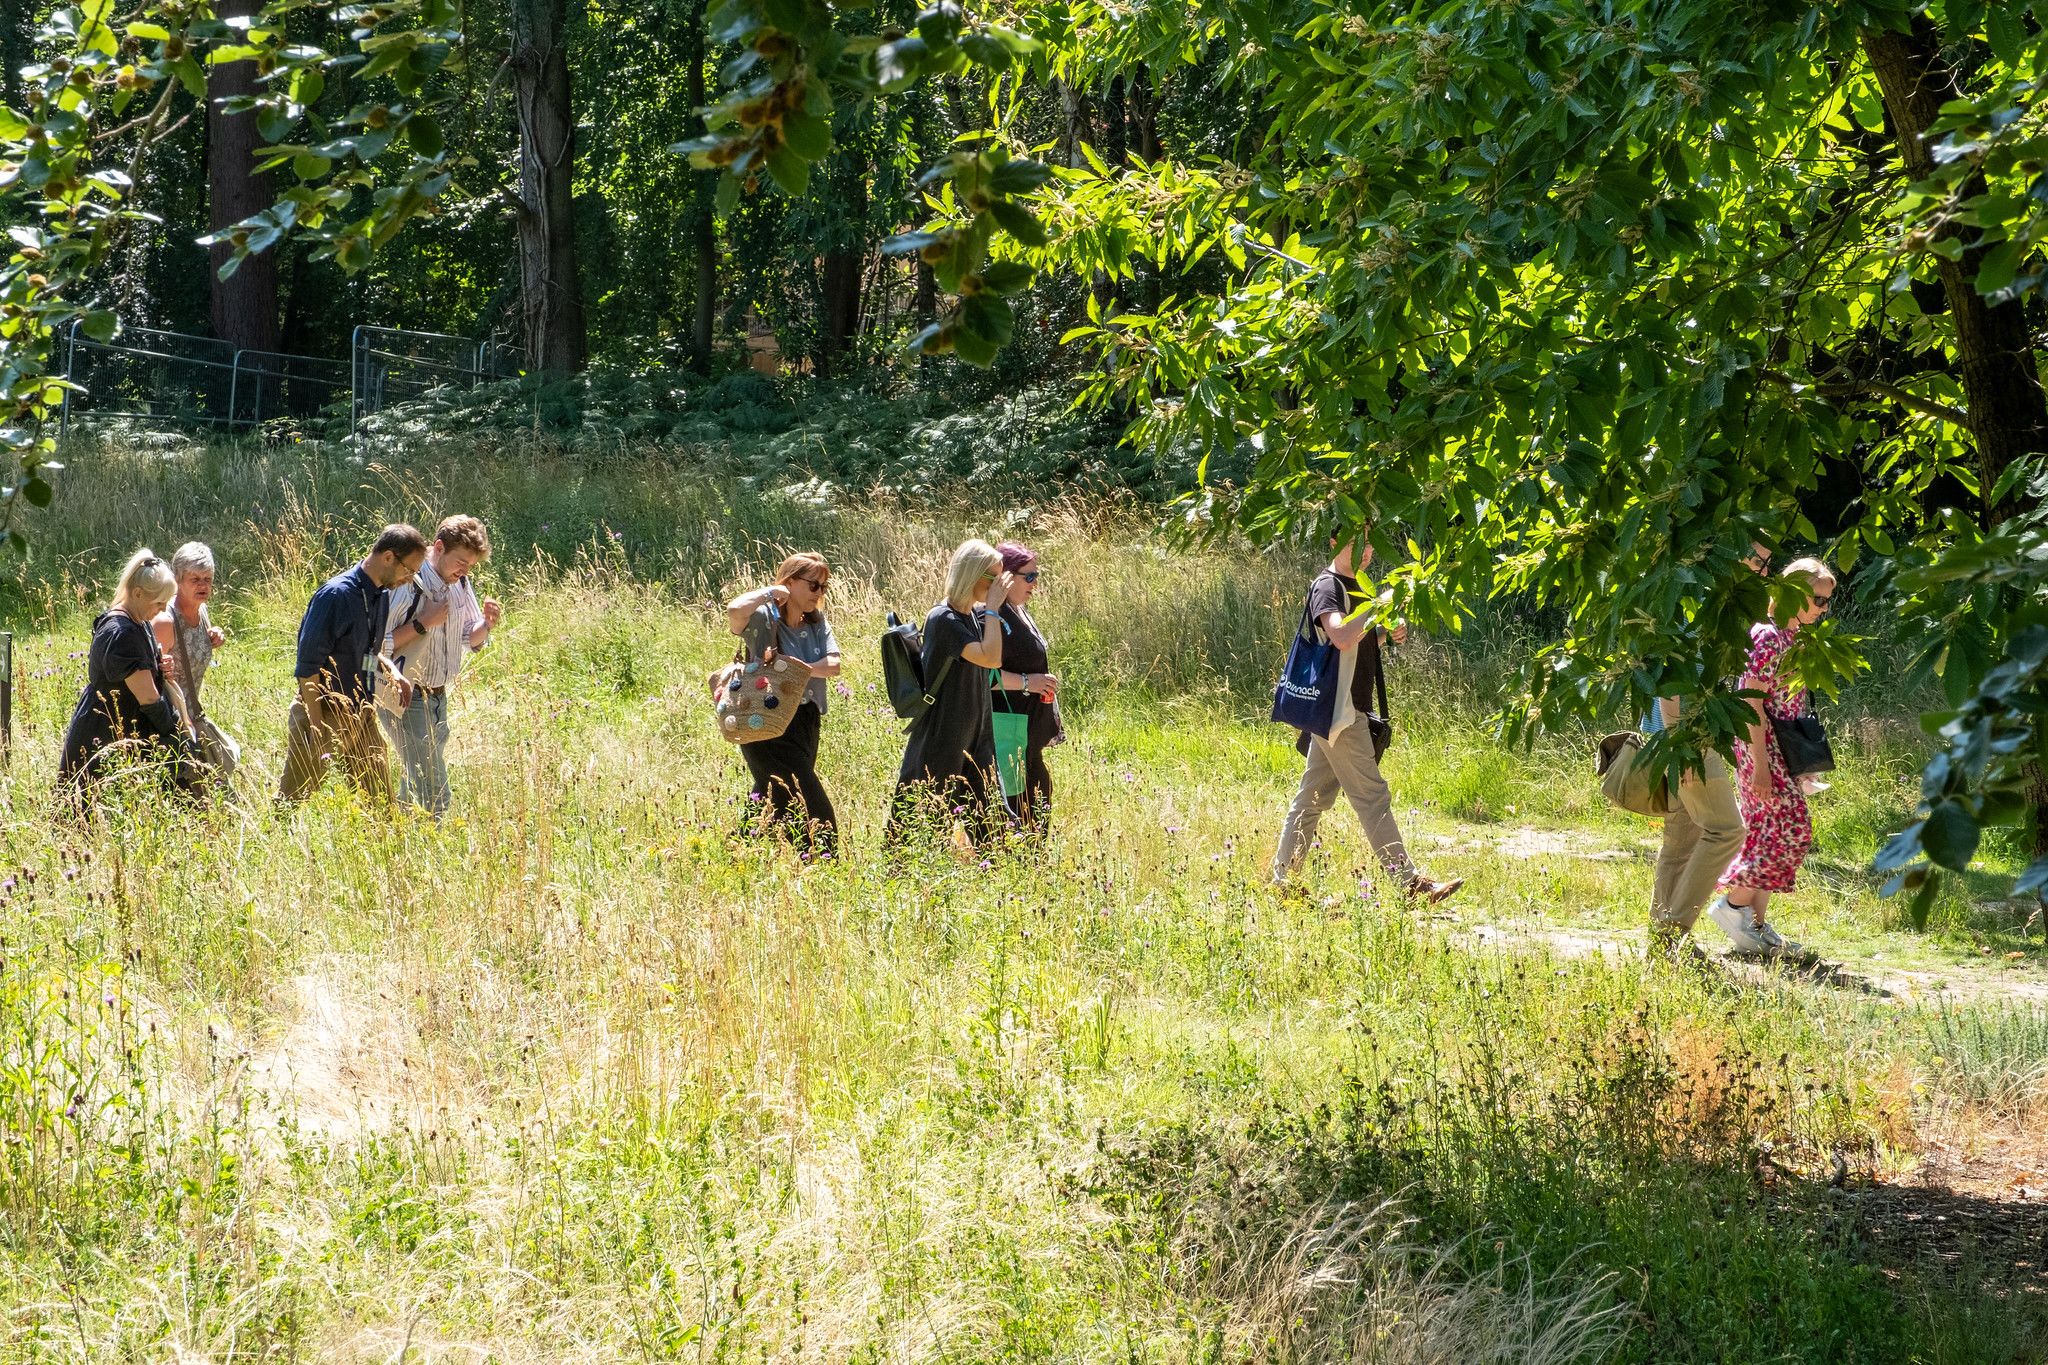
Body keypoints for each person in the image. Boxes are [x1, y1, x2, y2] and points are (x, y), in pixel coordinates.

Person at [1272, 531, 1462, 904]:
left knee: (1311, 799)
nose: (1367, 552)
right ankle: (1410, 885)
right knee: (1372, 797)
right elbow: (1340, 635)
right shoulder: (1328, 586)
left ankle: (1283, 881)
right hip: (1340, 712)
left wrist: (1384, 637)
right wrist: (1378, 608)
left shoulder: (1353, 585)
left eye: (1371, 544)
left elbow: (1352, 642)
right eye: (1357, 543)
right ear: (1333, 543)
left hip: (1339, 709)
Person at [1645, 540, 1771, 960]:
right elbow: (1668, 675)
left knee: (1683, 837)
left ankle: (1661, 944)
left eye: (1766, 563)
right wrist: (1678, 739)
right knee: (1727, 829)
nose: (1761, 570)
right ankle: (1672, 933)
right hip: (1685, 736)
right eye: (1754, 558)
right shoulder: (1696, 598)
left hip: (1686, 735)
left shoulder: (1726, 604)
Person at [1707, 556, 1837, 956]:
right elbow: (1751, 703)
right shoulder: (1768, 636)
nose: (1823, 609)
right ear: (1793, 593)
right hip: (1760, 747)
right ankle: (1731, 908)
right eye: (1818, 600)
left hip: (1781, 750)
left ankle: (1755, 927)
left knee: (1772, 833)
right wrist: (1760, 766)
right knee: (1790, 833)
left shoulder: (1791, 637)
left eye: (1828, 602)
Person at [279, 524, 426, 805]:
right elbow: (307, 669)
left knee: (381, 804)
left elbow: (368, 651)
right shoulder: (335, 597)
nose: (410, 579)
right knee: (293, 798)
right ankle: (271, 841)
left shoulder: (380, 596)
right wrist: (318, 728)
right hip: (324, 712)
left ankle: (386, 847)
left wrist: (393, 671)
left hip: (362, 713)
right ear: (388, 557)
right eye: (409, 570)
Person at [889, 538, 1013, 846]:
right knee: (926, 821)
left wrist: (991, 610)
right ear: (973, 575)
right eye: (993, 578)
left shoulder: (971, 615)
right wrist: (994, 610)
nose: (999, 585)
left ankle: (999, 879)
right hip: (944, 733)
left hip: (976, 733)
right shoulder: (943, 618)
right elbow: (990, 657)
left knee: (991, 819)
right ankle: (904, 880)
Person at [380, 515, 503, 818]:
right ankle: (432, 848)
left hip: (437, 695)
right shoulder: (407, 582)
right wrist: (423, 623)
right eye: (461, 562)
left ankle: (397, 834)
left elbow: (467, 637)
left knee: (420, 769)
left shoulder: (459, 582)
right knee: (434, 787)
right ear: (438, 547)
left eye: (471, 566)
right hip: (405, 694)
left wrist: (485, 625)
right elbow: (377, 645)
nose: (465, 570)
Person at [724, 552, 842, 853]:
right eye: (813, 585)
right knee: (813, 806)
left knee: (772, 795)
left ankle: (741, 853)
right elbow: (734, 610)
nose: (819, 593)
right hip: (764, 722)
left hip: (804, 720)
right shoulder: (764, 618)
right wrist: (769, 593)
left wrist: (793, 666)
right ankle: (823, 861)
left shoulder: (816, 623)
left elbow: (833, 665)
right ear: (790, 582)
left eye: (824, 587)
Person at [58, 549, 198, 799]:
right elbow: (148, 698)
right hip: (107, 733)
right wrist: (176, 731)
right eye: (158, 603)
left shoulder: (136, 621)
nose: (163, 609)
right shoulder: (122, 633)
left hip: (117, 728)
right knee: (94, 814)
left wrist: (157, 666)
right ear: (137, 593)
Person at [988, 540, 1061, 831]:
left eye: (1037, 576)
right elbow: (985, 677)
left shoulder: (1018, 610)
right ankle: (1018, 862)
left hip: (1028, 725)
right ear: (1005, 578)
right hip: (1008, 726)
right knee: (1020, 799)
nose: (1034, 584)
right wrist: (1030, 682)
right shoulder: (991, 616)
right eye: (1028, 577)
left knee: (1039, 792)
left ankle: (1034, 864)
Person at [152, 541, 239, 780]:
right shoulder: (164, 620)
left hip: (193, 715)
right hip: (168, 721)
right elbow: (148, 675)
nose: (203, 586)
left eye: (208, 579)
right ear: (178, 580)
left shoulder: (201, 610)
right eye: (195, 579)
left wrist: (214, 635)